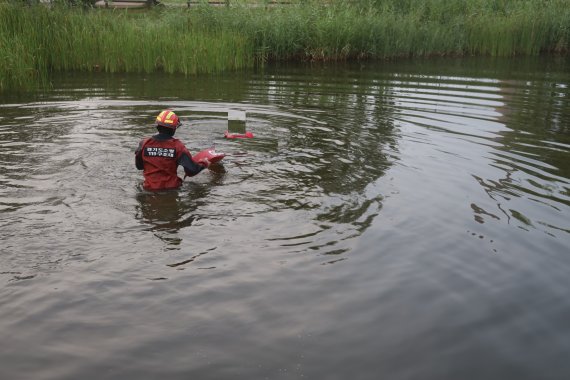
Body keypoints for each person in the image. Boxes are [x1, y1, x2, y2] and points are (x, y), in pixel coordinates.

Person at [135, 109, 209, 191]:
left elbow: (139, 166)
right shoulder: (178, 146)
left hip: (149, 189)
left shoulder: (144, 143)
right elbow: (191, 171)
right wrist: (203, 164)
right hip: (171, 189)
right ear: (174, 129)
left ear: (157, 126)